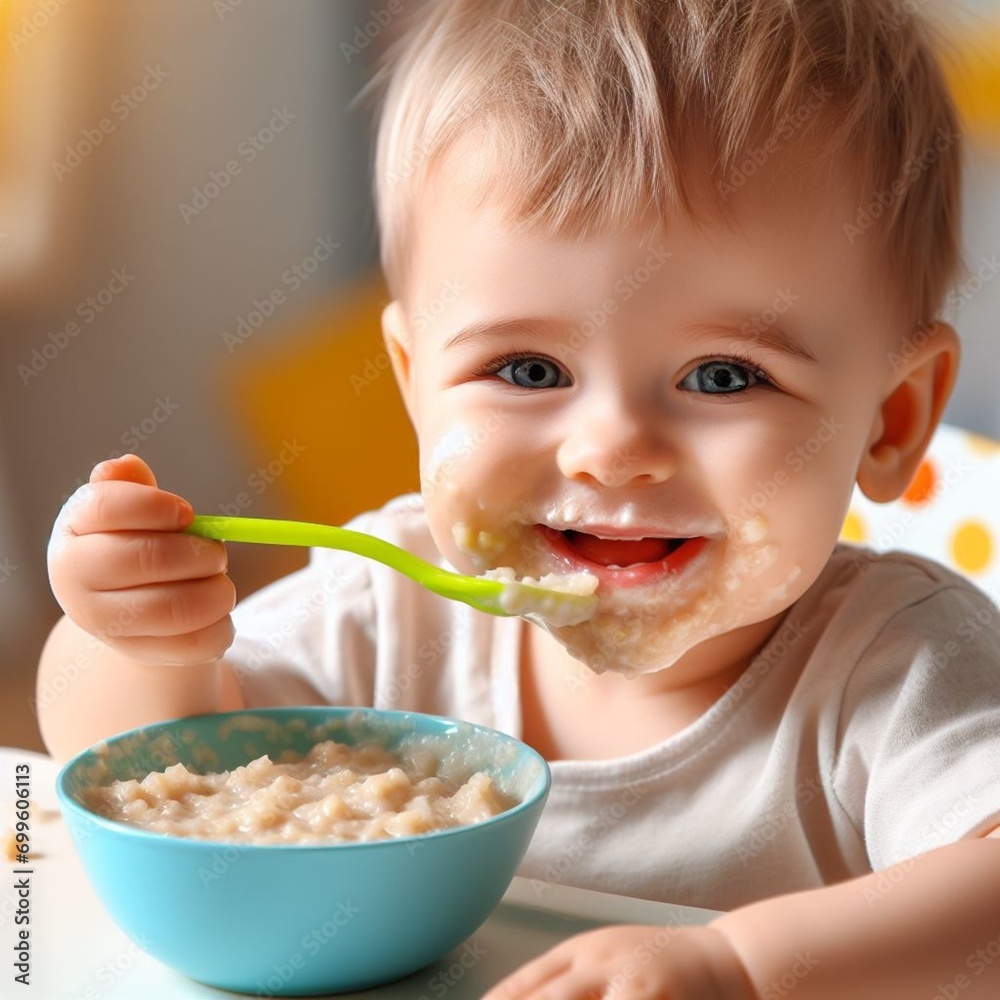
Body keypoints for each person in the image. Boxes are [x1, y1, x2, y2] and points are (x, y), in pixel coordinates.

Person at [39, 0, 1000, 996]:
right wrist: (134, 642)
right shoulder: (391, 610)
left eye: (722, 376)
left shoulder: (890, 667)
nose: (611, 452)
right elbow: (152, 764)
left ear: (889, 418)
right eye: (529, 369)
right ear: (413, 384)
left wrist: (739, 967)